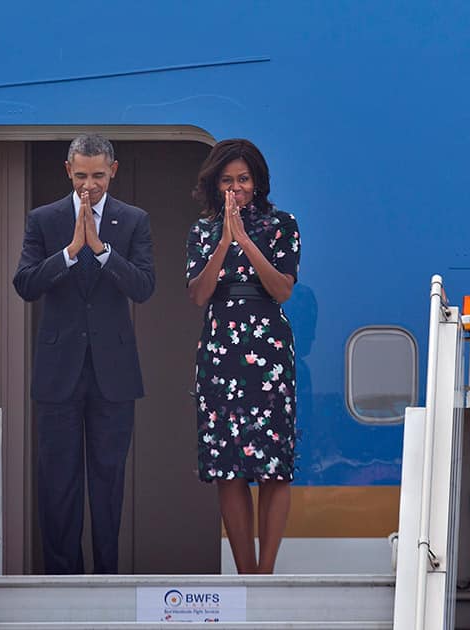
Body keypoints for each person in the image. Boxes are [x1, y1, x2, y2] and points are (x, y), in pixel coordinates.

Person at [13, 134, 155, 575]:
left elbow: (144, 287)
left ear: (113, 170)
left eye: (97, 175)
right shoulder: (45, 219)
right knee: (58, 484)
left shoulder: (133, 220)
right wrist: (71, 252)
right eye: (80, 176)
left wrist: (102, 250)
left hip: (114, 374)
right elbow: (26, 284)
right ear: (67, 171)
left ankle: (107, 579)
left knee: (109, 482)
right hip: (59, 373)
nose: (88, 186)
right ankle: (61, 580)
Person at [185, 139, 301, 574]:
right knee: (227, 466)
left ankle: (266, 573)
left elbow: (282, 289)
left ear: (258, 181)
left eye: (244, 179)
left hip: (268, 347)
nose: (237, 188)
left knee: (275, 467)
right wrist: (223, 241)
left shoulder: (282, 225)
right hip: (221, 350)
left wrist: (246, 241)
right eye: (228, 180)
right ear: (216, 184)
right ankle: (245, 574)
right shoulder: (202, 230)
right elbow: (198, 294)